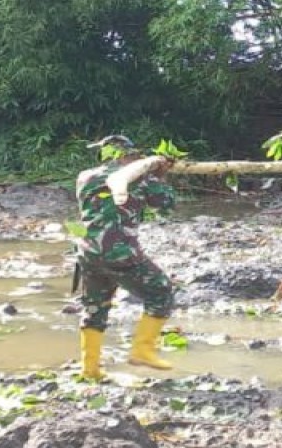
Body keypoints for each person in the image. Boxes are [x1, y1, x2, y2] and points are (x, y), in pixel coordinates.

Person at [74, 135, 179, 381]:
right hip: (120, 252)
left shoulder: (84, 177)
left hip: (88, 251)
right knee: (161, 292)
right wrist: (160, 177)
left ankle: (90, 370)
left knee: (94, 306)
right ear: (130, 155)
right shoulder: (142, 179)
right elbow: (166, 205)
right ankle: (143, 350)